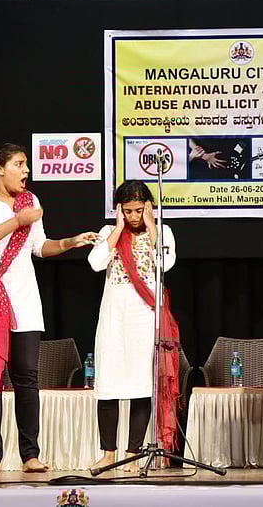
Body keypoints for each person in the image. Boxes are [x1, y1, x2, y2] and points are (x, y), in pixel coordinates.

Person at [0, 142, 97, 474]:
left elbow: (39, 246)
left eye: (26, 165)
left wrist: (69, 242)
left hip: (22, 299)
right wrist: (17, 220)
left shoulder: (29, 202)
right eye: (19, 164)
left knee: (27, 376)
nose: (26, 171)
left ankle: (30, 454)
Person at [87, 180, 177, 473]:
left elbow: (166, 263)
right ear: (119, 210)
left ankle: (134, 451)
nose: (134, 216)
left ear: (149, 207)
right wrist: (115, 230)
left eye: (139, 210)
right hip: (114, 319)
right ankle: (109, 453)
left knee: (142, 385)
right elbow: (95, 263)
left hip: (144, 318)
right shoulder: (109, 233)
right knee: (108, 387)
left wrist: (152, 227)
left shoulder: (162, 232)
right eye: (128, 211)